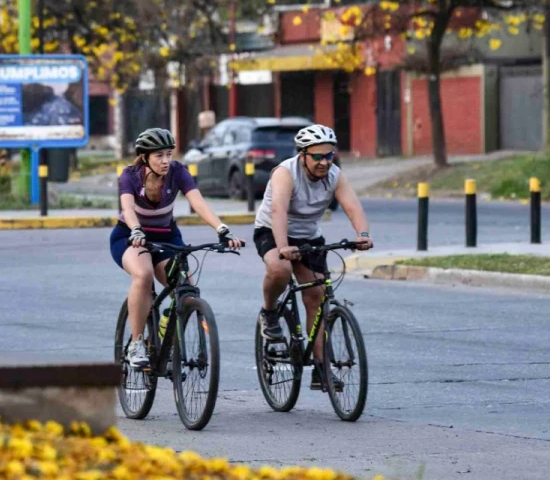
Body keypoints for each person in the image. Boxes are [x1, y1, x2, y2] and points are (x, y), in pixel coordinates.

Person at [112, 127, 243, 370]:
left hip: (166, 238)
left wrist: (222, 229)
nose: (165, 161)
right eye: (159, 155)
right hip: (130, 236)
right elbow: (128, 209)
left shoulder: (178, 172)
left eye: (169, 154)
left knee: (187, 292)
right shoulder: (129, 176)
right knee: (143, 274)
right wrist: (136, 229)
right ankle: (137, 343)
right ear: (145, 157)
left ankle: (164, 332)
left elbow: (199, 204)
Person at [254, 124, 372, 387]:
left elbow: (352, 206)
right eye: (317, 156)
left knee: (317, 297)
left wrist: (363, 234)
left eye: (328, 155)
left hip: (309, 236)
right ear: (303, 155)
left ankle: (321, 369)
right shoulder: (286, 173)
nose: (323, 162)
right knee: (280, 270)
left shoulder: (335, 175)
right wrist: (283, 246)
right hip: (273, 231)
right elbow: (278, 212)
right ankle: (269, 312)